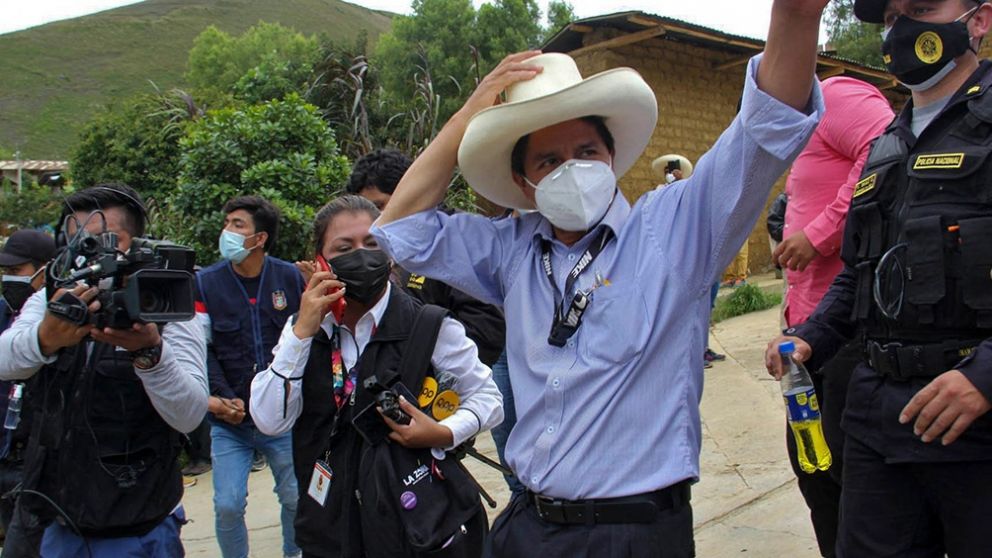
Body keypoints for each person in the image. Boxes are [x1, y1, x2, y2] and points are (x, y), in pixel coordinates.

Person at [370, 0, 828, 552]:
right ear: (524, 184)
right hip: (526, 526)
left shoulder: (674, 231)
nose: (573, 169)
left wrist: (797, 18)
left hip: (631, 534)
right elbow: (402, 229)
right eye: (548, 161)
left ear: (611, 156)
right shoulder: (510, 250)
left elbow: (765, 125)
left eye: (586, 151)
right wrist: (471, 115)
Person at [766, 1, 992, 555]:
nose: (901, 28)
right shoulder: (886, 145)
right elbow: (861, 273)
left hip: (974, 423)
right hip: (876, 414)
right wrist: (811, 336)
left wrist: (987, 376)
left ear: (980, 20)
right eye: (891, 17)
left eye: (920, 7)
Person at [250, 195, 502, 557]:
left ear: (390, 251)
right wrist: (302, 332)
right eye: (344, 247)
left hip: (410, 526)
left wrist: (445, 431)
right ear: (321, 260)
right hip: (328, 528)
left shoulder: (425, 323)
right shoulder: (304, 334)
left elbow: (489, 398)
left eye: (372, 243)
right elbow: (270, 420)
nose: (362, 254)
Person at [0, 183, 207, 557]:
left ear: (137, 243)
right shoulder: (52, 296)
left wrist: (150, 352)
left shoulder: (167, 303)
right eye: (80, 244)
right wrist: (46, 338)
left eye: (106, 240)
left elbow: (190, 414)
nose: (90, 256)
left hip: (134, 525)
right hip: (44, 514)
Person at [341, 148, 518, 492]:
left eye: (381, 206)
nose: (376, 222)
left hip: (453, 388)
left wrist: (431, 375)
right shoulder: (366, 257)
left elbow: (486, 323)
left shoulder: (446, 242)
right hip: (383, 410)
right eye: (368, 210)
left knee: (515, 471)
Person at [770, 76, 893, 558]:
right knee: (816, 477)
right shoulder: (799, 131)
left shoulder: (838, 96)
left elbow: (885, 156)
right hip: (807, 336)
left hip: (849, 326)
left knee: (854, 487)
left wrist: (821, 233)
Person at [195, 195, 303, 558]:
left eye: (237, 225)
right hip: (229, 421)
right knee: (227, 504)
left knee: (295, 496)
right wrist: (223, 397)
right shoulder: (205, 283)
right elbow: (202, 348)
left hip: (283, 418)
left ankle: (294, 553)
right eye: (226, 223)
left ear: (260, 239)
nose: (226, 231)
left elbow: (305, 340)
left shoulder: (289, 277)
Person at [0, 229, 55, 556]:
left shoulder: (65, 323)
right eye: (4, 272)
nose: (8, 279)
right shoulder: (3, 315)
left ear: (45, 270)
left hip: (40, 464)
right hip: (5, 457)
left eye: (16, 271)